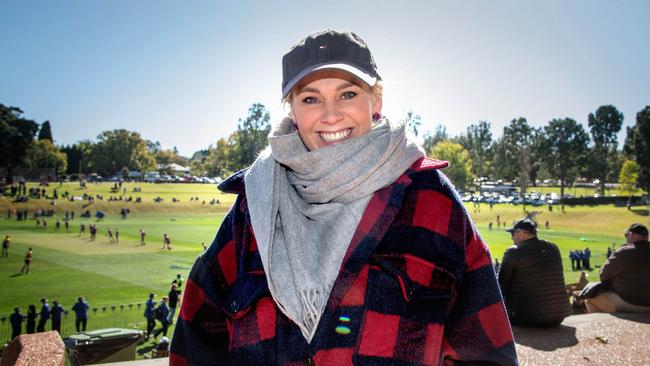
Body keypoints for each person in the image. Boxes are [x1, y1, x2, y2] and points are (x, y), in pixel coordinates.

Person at [171, 29, 516, 365]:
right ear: (292, 110)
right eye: (310, 99)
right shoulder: (254, 205)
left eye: (348, 94)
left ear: (376, 100)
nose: (331, 114)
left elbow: (487, 350)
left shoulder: (431, 200)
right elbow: (198, 336)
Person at [498, 218, 570, 327]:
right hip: (558, 316)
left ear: (524, 233)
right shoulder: (553, 248)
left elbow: (501, 284)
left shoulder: (514, 251)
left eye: (513, 233)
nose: (512, 237)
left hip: (526, 317)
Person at [584, 223, 650, 313]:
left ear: (630, 235)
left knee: (590, 299)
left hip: (632, 302)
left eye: (626, 235)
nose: (626, 237)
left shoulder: (624, 251)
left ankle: (604, 326)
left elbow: (603, 275)